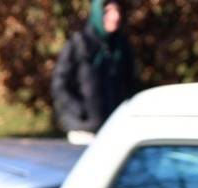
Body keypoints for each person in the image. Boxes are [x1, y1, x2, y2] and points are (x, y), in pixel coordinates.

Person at [52, 0, 138, 145]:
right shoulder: (79, 43)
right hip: (84, 132)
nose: (115, 17)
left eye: (117, 11)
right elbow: (59, 85)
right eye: (108, 11)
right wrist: (79, 110)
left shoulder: (121, 47)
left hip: (114, 130)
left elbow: (130, 84)